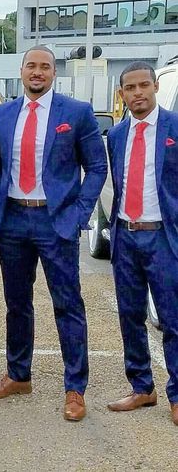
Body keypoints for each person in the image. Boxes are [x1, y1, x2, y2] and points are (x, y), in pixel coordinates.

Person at [0, 45, 107, 421]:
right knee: (16, 303)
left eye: (45, 67)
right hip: (13, 221)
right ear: (21, 71)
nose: (37, 72)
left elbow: (97, 167)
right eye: (31, 66)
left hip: (57, 221)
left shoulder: (77, 113)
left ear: (54, 72)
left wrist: (79, 212)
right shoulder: (3, 113)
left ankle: (75, 388)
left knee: (68, 304)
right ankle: (19, 375)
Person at [106, 61, 178, 426]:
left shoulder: (175, 128)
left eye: (143, 86)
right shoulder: (117, 136)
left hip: (163, 237)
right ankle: (142, 387)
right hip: (126, 235)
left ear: (154, 87)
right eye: (130, 88)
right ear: (122, 94)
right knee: (130, 315)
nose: (137, 93)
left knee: (173, 318)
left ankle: (177, 395)